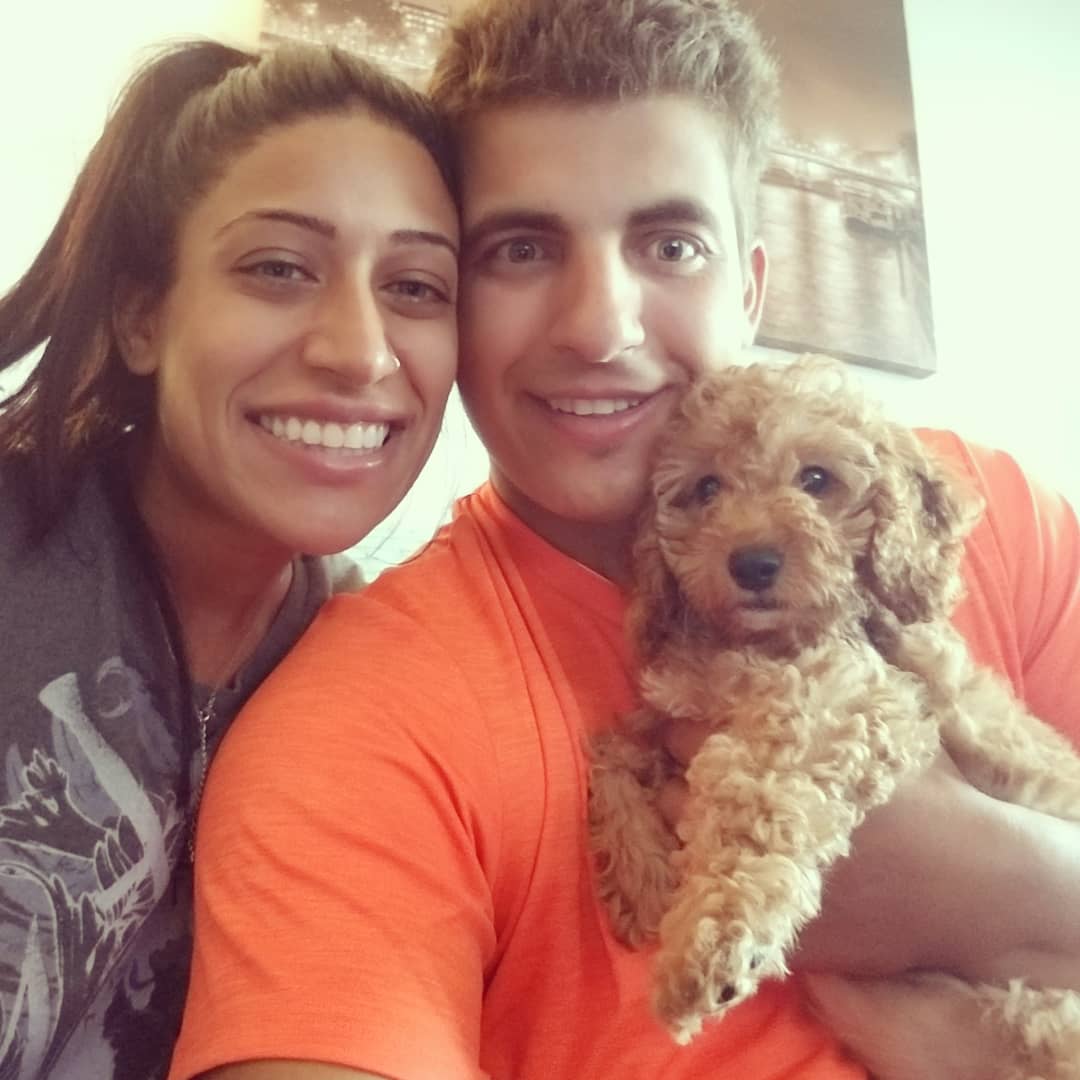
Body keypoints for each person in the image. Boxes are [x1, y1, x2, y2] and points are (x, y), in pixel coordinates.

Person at [168, 1, 1080, 1078]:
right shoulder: (356, 726)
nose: (601, 327)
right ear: (454, 301)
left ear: (751, 286)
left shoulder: (992, 511)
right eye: (521, 249)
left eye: (671, 244)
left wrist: (1017, 892)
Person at [0, 38, 458, 1079]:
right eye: (278, 269)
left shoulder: (355, 665)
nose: (360, 351)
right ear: (141, 318)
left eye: (416, 286)